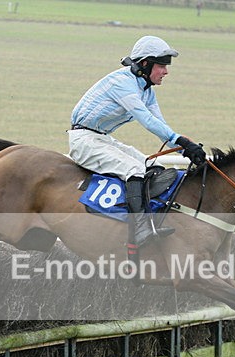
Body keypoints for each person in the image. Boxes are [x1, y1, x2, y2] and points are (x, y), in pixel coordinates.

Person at [69, 35, 207, 249]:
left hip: (101, 138)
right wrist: (180, 142)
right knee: (135, 169)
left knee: (152, 166)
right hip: (84, 141)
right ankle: (139, 229)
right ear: (145, 64)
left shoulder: (146, 90)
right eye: (162, 65)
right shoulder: (122, 83)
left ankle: (152, 220)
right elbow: (147, 120)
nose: (166, 71)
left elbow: (163, 128)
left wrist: (187, 149)